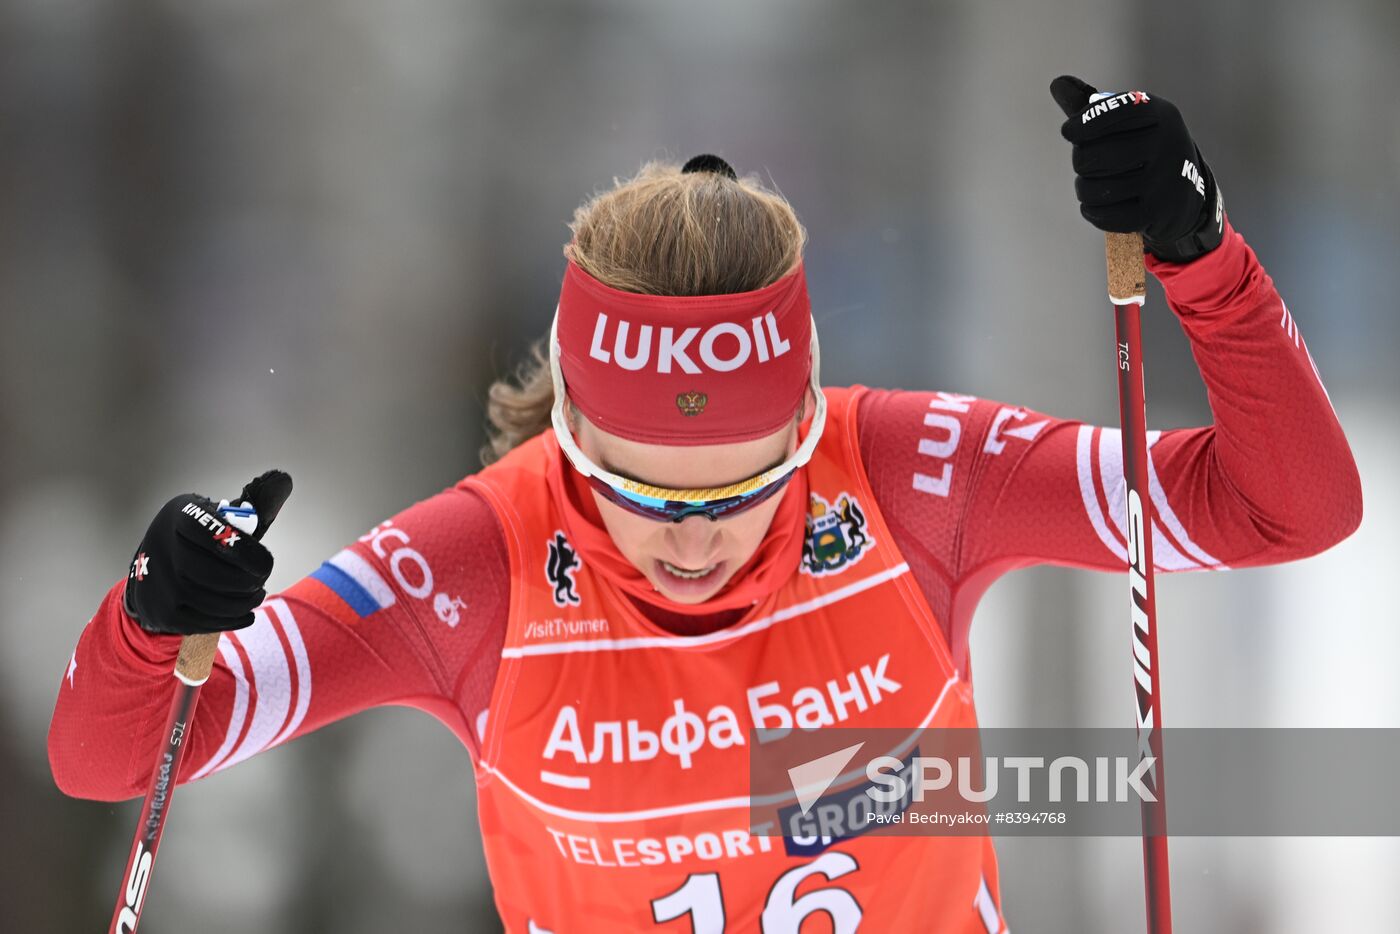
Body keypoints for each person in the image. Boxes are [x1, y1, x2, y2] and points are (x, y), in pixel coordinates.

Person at [49, 76, 1362, 932]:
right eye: (633, 488)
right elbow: (113, 757)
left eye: (746, 486)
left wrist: (1201, 260)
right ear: (565, 432)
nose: (690, 534)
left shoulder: (906, 478)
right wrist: (157, 615)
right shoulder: (480, 561)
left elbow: (1288, 509)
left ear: (807, 424)